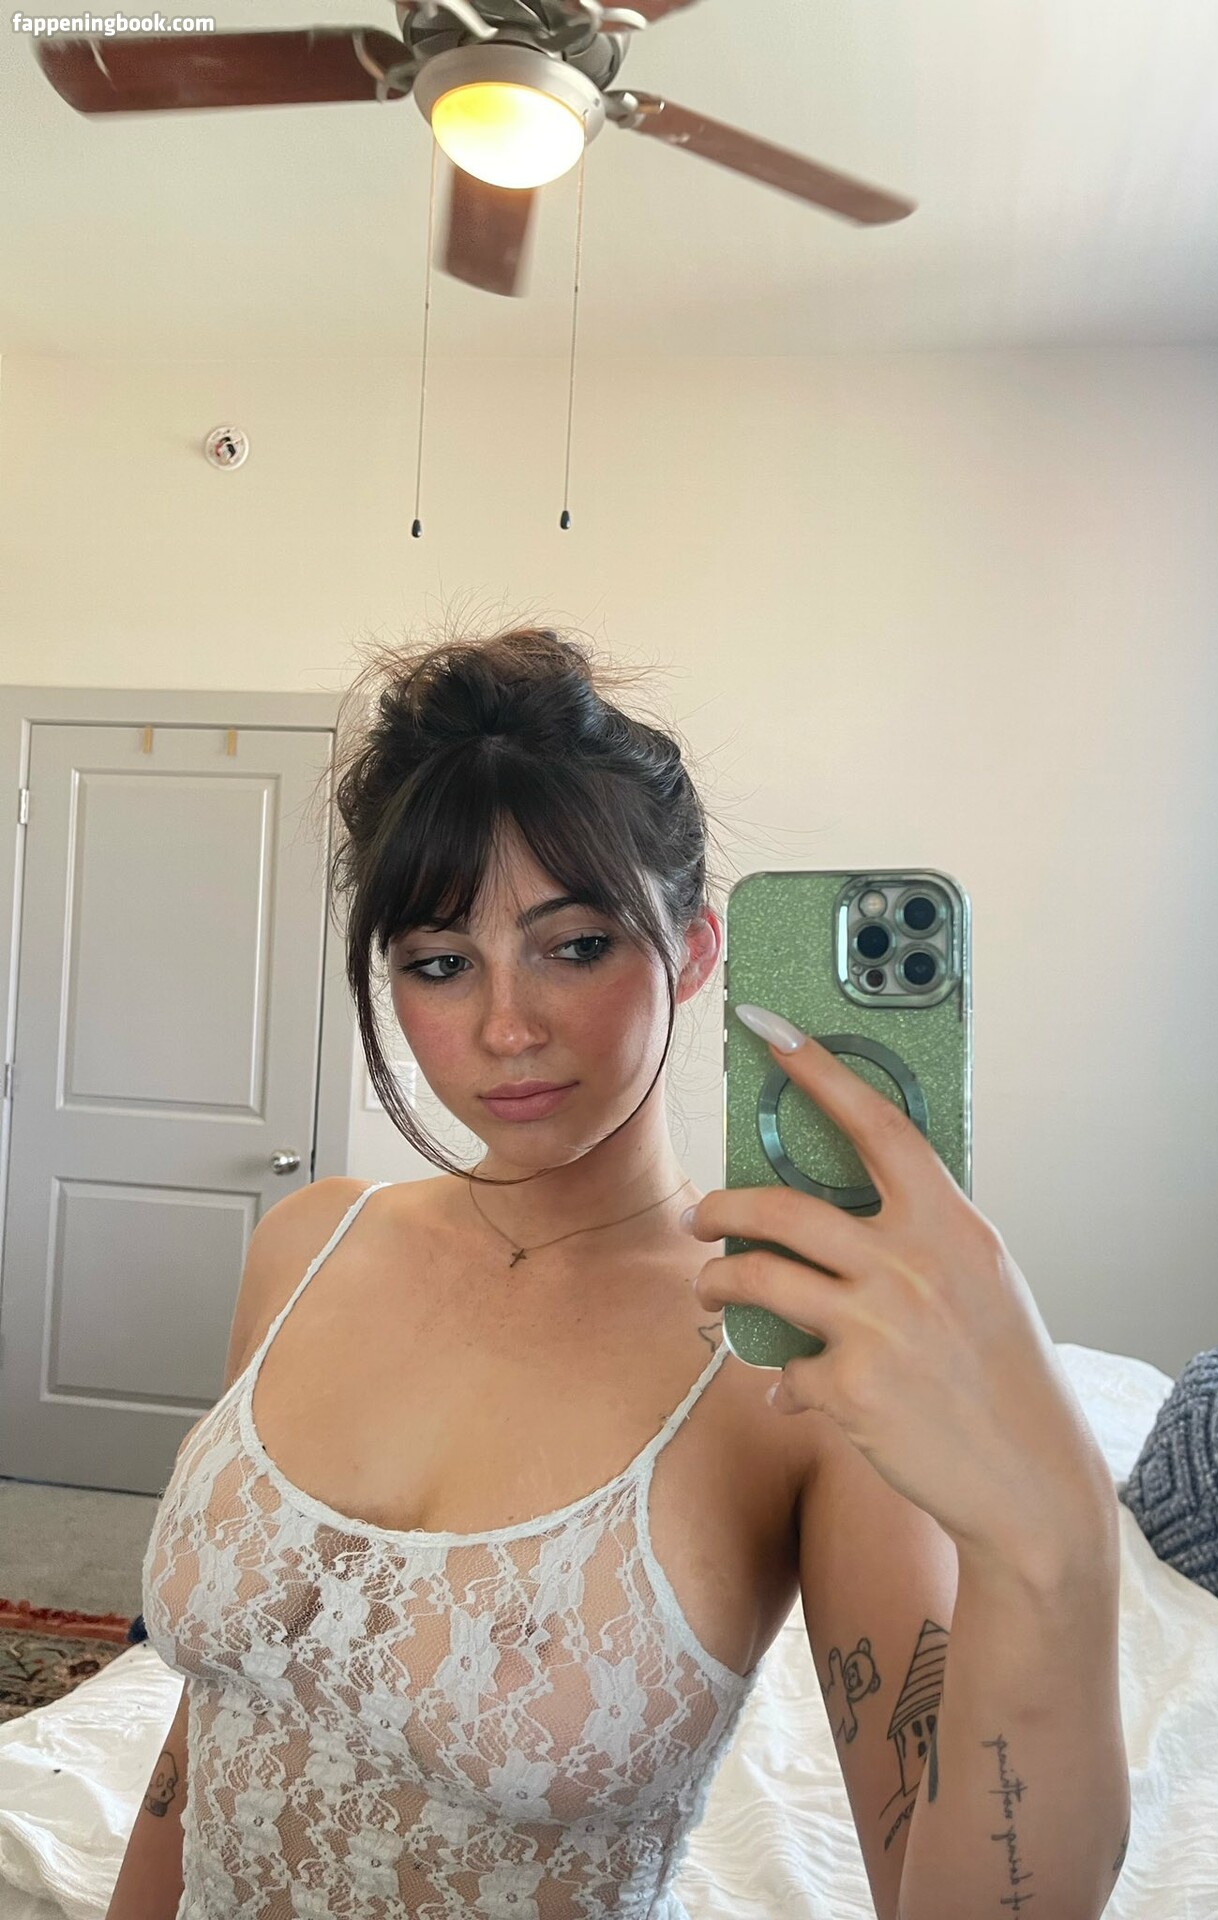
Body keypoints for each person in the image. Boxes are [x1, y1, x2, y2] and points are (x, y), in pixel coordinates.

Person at [127, 623, 811, 1918]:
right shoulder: (307, 1246)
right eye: (441, 965)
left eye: (576, 945)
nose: (506, 1026)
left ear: (694, 949)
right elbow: (209, 1722)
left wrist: (1047, 1536)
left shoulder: (775, 1345)